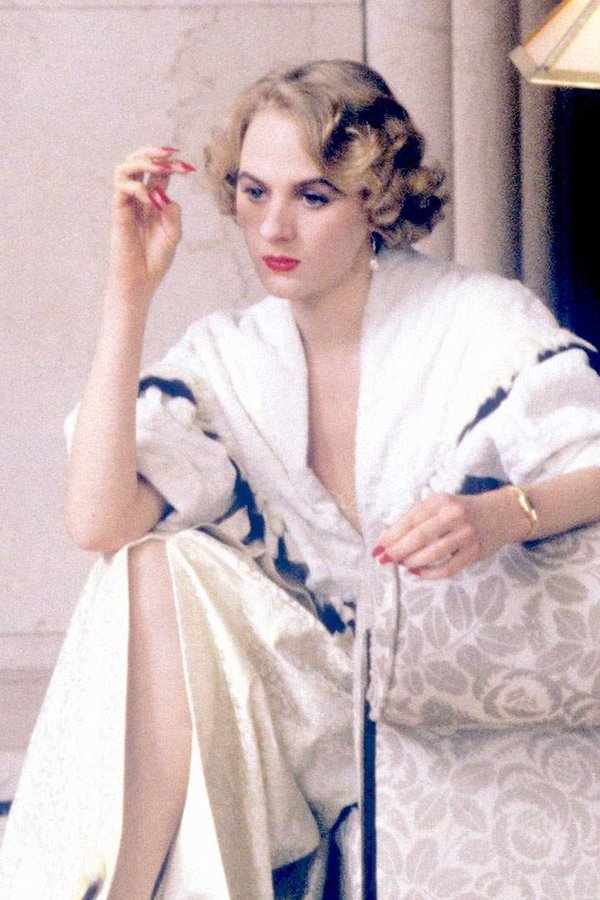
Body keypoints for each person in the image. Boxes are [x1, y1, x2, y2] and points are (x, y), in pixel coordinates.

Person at [2, 58, 600, 900]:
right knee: (153, 561)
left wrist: (502, 514)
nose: (273, 227)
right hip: (288, 699)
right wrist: (128, 290)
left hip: (425, 681)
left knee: (161, 577)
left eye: (313, 197)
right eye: (254, 192)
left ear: (376, 202)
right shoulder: (233, 353)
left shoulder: (477, 319)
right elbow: (99, 522)